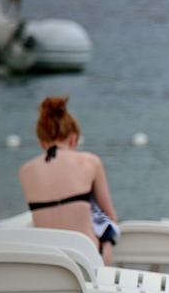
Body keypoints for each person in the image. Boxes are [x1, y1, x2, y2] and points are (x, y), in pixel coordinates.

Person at [19, 96, 119, 263]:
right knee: (107, 233)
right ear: (73, 138)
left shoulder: (25, 171)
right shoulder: (90, 162)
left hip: (48, 260)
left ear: (42, 142)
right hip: (87, 258)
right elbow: (110, 215)